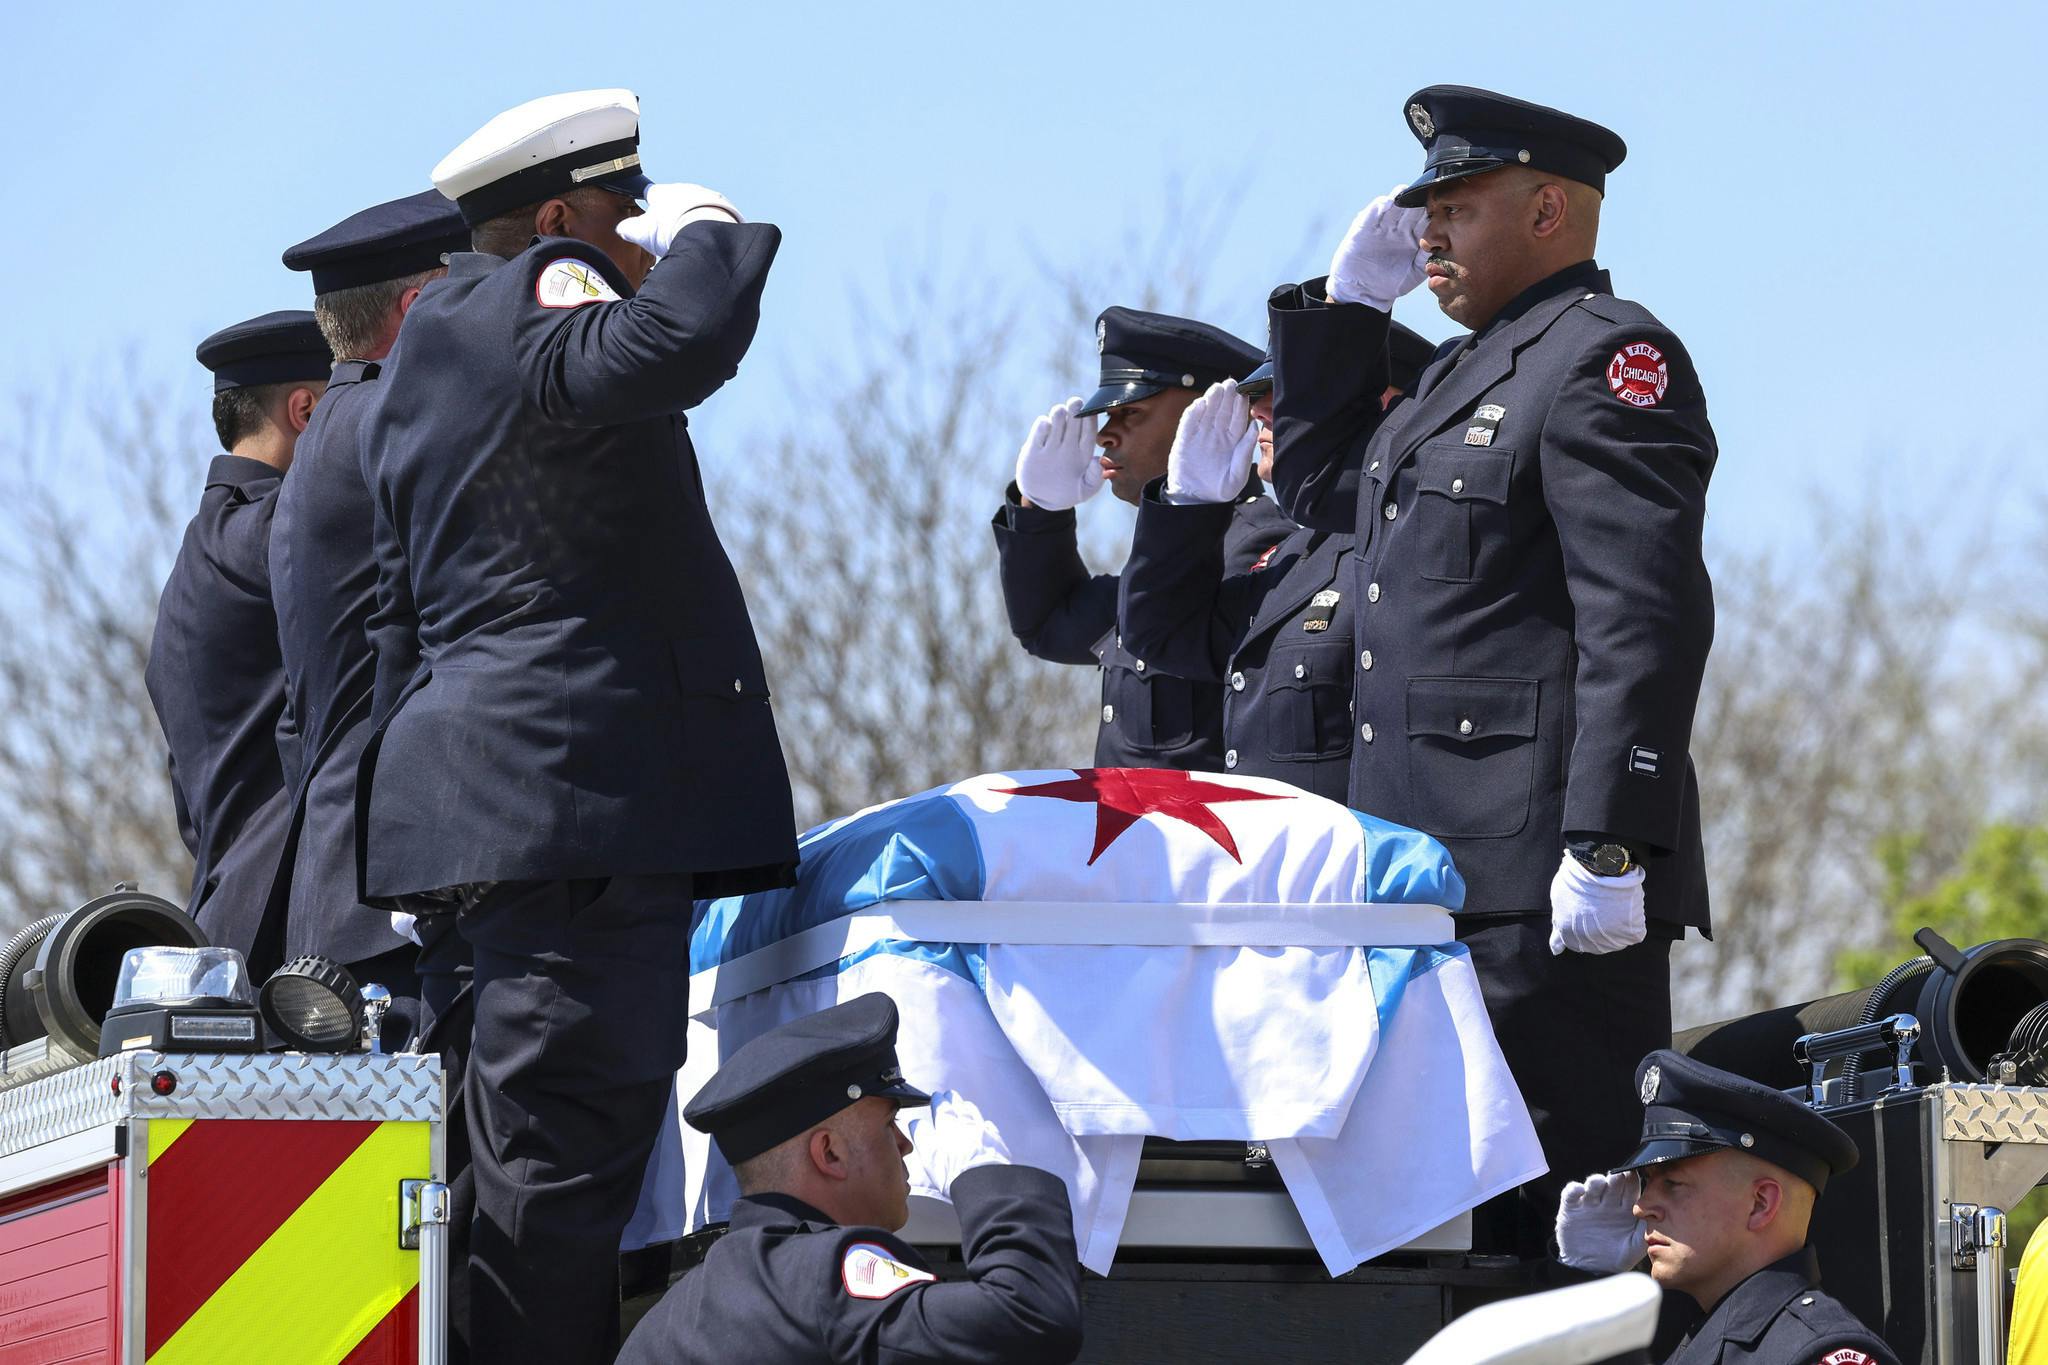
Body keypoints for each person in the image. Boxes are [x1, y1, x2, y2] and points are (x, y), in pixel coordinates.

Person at [354, 88, 798, 1363]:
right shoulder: (535, 293)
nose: (645, 243)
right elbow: (673, 347)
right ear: (556, 218)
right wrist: (717, 233)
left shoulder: (416, 364)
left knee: (486, 1192)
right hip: (570, 826)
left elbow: (394, 624)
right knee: (556, 1190)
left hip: (472, 830)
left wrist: (400, 834)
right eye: (630, 212)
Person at [1263, 85, 1718, 1254]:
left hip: (1542, 900)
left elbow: (1643, 617)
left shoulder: (1607, 360)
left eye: (1455, 209)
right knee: (1445, 1247)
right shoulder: (1453, 380)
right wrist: (1342, 314)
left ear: (1549, 210)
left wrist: (1609, 842)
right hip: (1423, 887)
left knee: (1557, 1243)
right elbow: (1317, 493)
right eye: (1426, 214)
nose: (1428, 237)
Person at [619, 993, 1083, 1365]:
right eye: (888, 1124)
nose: (905, 1144)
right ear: (830, 1152)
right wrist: (987, 1177)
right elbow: (1031, 1318)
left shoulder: (672, 1315)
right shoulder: (820, 1275)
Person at [274, 188, 471, 1034]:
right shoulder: (392, 422)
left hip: (348, 881)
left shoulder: (337, 425)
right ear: (421, 306)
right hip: (395, 892)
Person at [1118, 322, 1435, 798]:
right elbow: (1163, 633)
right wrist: (1188, 508)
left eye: (1291, 394)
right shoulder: (1295, 554)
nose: (1259, 412)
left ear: (1384, 404)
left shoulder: (1414, 538)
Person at [991, 307, 1291, 770]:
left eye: (1130, 412)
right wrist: (1040, 512)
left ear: (1209, 414)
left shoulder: (1253, 545)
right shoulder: (1166, 559)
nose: (1106, 436)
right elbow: (1048, 624)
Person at [145, 311, 330, 967]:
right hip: (304, 938)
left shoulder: (195, 561)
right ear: (306, 410)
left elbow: (193, 809)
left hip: (229, 925)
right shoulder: (280, 531)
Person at [1553, 1050, 1898, 1364]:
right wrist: (1589, 1285)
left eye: (1672, 1183)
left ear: (1760, 1204)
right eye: (1647, 1182)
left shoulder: (1816, 1352)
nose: (1641, 1207)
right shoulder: (1704, 1340)